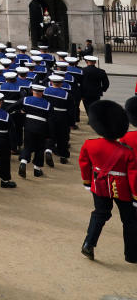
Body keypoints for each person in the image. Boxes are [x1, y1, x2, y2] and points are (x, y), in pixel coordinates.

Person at [79, 99, 137, 263]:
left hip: (100, 185)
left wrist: (87, 183)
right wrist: (136, 196)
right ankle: (131, 254)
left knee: (99, 214)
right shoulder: (127, 152)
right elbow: (133, 175)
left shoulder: (90, 145)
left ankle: (88, 243)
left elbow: (84, 164)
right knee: (130, 221)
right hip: (123, 189)